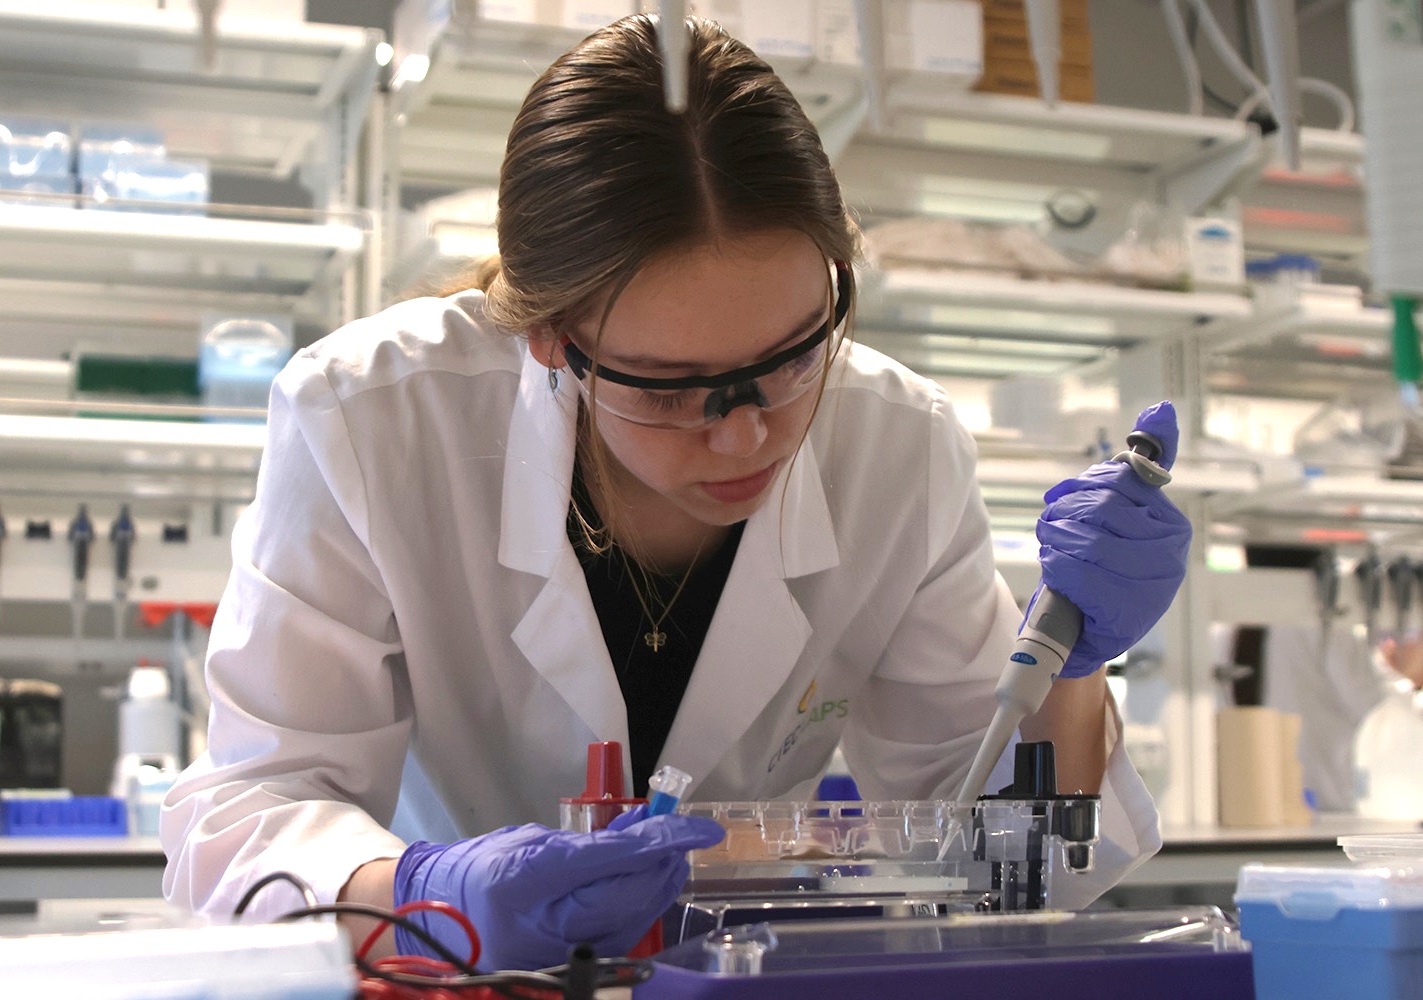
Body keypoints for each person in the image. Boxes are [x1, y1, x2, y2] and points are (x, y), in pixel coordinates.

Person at [162, 14, 1191, 972]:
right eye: (675, 387)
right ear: (552, 339)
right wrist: (435, 901)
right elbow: (254, 808)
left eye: (794, 355)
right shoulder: (370, 418)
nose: (749, 430)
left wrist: (1071, 664)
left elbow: (1001, 868)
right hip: (461, 974)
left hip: (745, 978)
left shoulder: (899, 447)